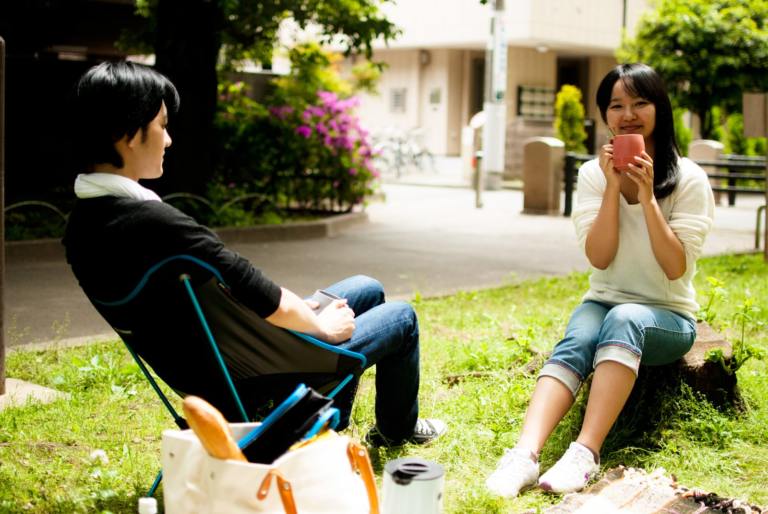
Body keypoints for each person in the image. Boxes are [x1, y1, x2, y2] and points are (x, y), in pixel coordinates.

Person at [62, 60, 446, 447]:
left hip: (222, 364)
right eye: (162, 125)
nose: (168, 139)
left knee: (366, 287)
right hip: (259, 380)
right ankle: (394, 431)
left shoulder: (82, 228)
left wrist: (305, 313)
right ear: (128, 133)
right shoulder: (156, 223)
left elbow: (236, 297)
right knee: (402, 317)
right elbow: (259, 292)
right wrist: (320, 328)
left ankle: (331, 418)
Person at [486, 63, 715, 496]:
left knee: (626, 317)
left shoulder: (689, 179)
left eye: (640, 103)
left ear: (659, 109)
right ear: (605, 117)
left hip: (668, 317)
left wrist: (647, 198)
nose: (628, 114)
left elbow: (674, 267)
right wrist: (613, 188)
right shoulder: (593, 175)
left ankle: (583, 454)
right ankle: (524, 455)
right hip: (603, 300)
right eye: (616, 105)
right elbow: (600, 257)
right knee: (579, 336)